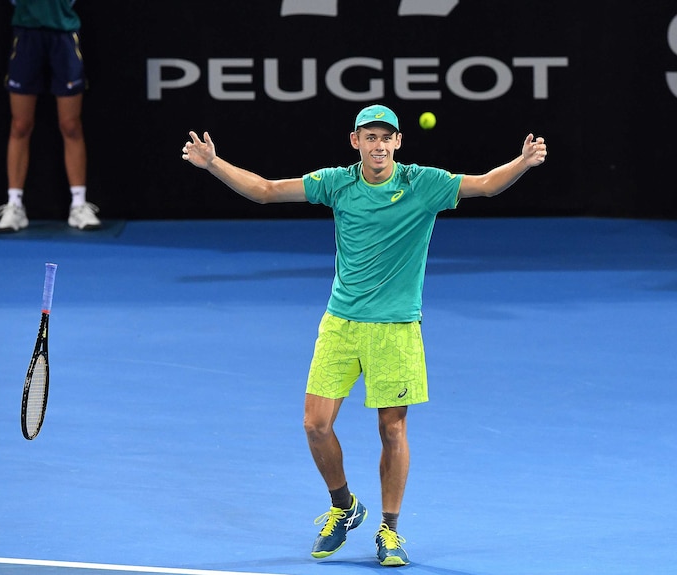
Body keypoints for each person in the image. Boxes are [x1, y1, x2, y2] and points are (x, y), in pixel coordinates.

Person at [181, 104, 548, 566]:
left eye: (386, 137)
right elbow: (267, 191)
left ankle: (390, 531)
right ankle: (344, 506)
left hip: (396, 328)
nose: (378, 145)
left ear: (398, 143)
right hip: (341, 324)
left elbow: (485, 185)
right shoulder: (337, 183)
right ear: (355, 142)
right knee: (315, 425)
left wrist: (522, 162)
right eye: (369, 137)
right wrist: (213, 162)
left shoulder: (423, 184)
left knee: (392, 429)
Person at [0, 0, 101, 233]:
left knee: (71, 125)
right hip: (26, 33)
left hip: (63, 33)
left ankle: (79, 204)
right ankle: (14, 205)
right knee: (20, 125)